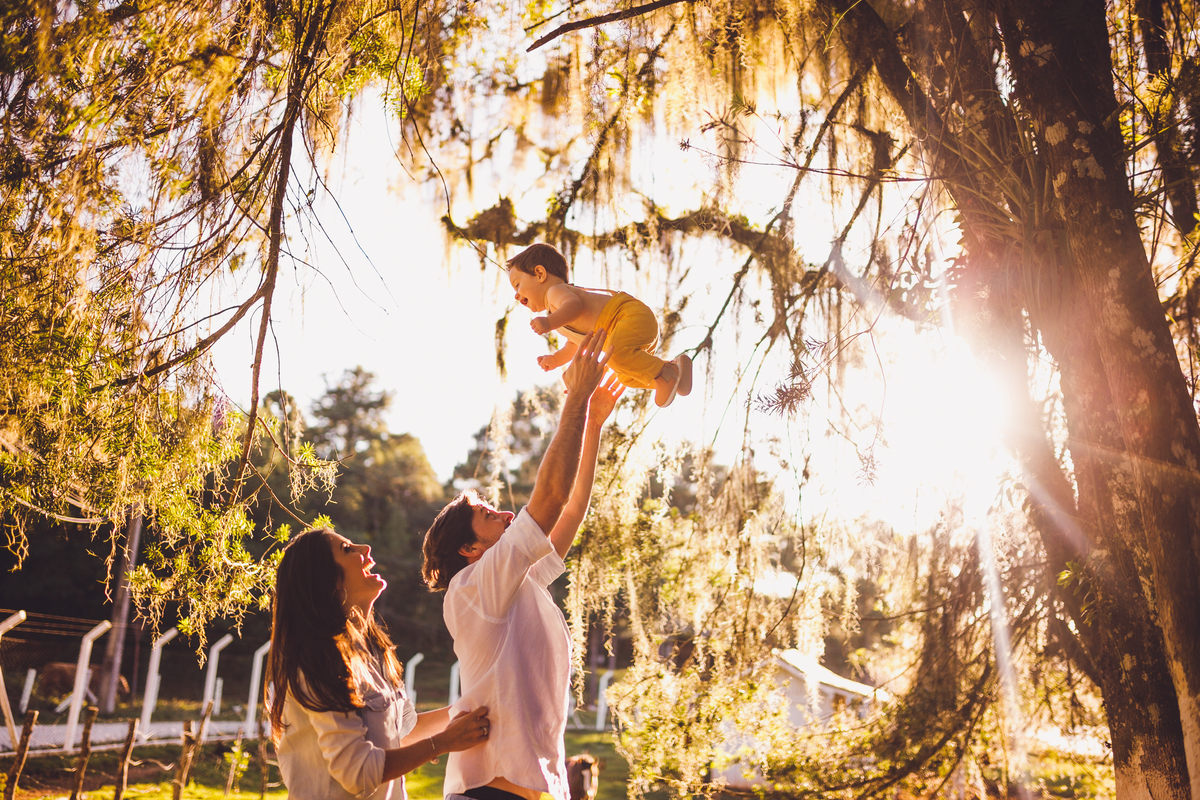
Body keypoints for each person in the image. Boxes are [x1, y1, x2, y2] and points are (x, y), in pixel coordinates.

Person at [421, 330, 623, 800]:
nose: (508, 514)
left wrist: (591, 425)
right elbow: (550, 499)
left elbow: (570, 511)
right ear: (468, 550)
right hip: (489, 792)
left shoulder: (516, 582)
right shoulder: (473, 588)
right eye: (489, 517)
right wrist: (574, 401)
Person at [268, 526, 491, 800]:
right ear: (326, 579)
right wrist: (443, 743)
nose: (365, 550)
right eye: (347, 549)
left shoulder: (373, 649)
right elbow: (358, 774)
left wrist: (477, 706)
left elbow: (402, 732)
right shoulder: (317, 660)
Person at [508, 242, 693, 408]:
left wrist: (549, 322)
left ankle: (665, 373)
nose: (516, 295)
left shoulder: (555, 293)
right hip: (626, 331)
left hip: (628, 315)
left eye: (517, 285)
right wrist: (556, 360)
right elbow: (575, 344)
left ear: (540, 274)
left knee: (616, 356)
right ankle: (673, 372)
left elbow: (574, 306)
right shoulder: (559, 317)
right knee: (625, 376)